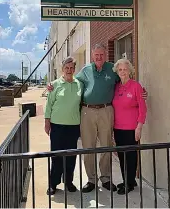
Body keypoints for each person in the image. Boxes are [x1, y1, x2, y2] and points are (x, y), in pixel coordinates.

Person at [48, 43, 147, 193]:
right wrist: (52, 86)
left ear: (105, 55)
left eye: (101, 55)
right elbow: (71, 80)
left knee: (106, 145)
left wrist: (141, 91)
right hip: (87, 111)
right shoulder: (85, 70)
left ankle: (106, 178)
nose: (99, 57)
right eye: (96, 55)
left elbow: (125, 79)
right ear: (92, 56)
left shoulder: (112, 69)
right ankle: (91, 179)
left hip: (106, 110)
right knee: (88, 146)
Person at [44, 57, 83, 195]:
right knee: (57, 156)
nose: (69, 70)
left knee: (71, 156)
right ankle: (53, 184)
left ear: (74, 69)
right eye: (67, 68)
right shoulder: (54, 85)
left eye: (72, 68)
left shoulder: (79, 84)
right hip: (57, 126)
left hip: (73, 126)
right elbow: (48, 104)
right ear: (62, 69)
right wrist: (47, 122)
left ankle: (69, 182)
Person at [112, 59, 147, 194]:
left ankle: (130, 184)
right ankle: (127, 180)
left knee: (131, 156)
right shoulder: (116, 87)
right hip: (118, 128)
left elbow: (143, 108)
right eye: (120, 70)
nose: (122, 72)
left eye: (125, 70)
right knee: (121, 156)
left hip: (132, 128)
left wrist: (139, 127)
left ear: (130, 71)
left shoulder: (136, 86)